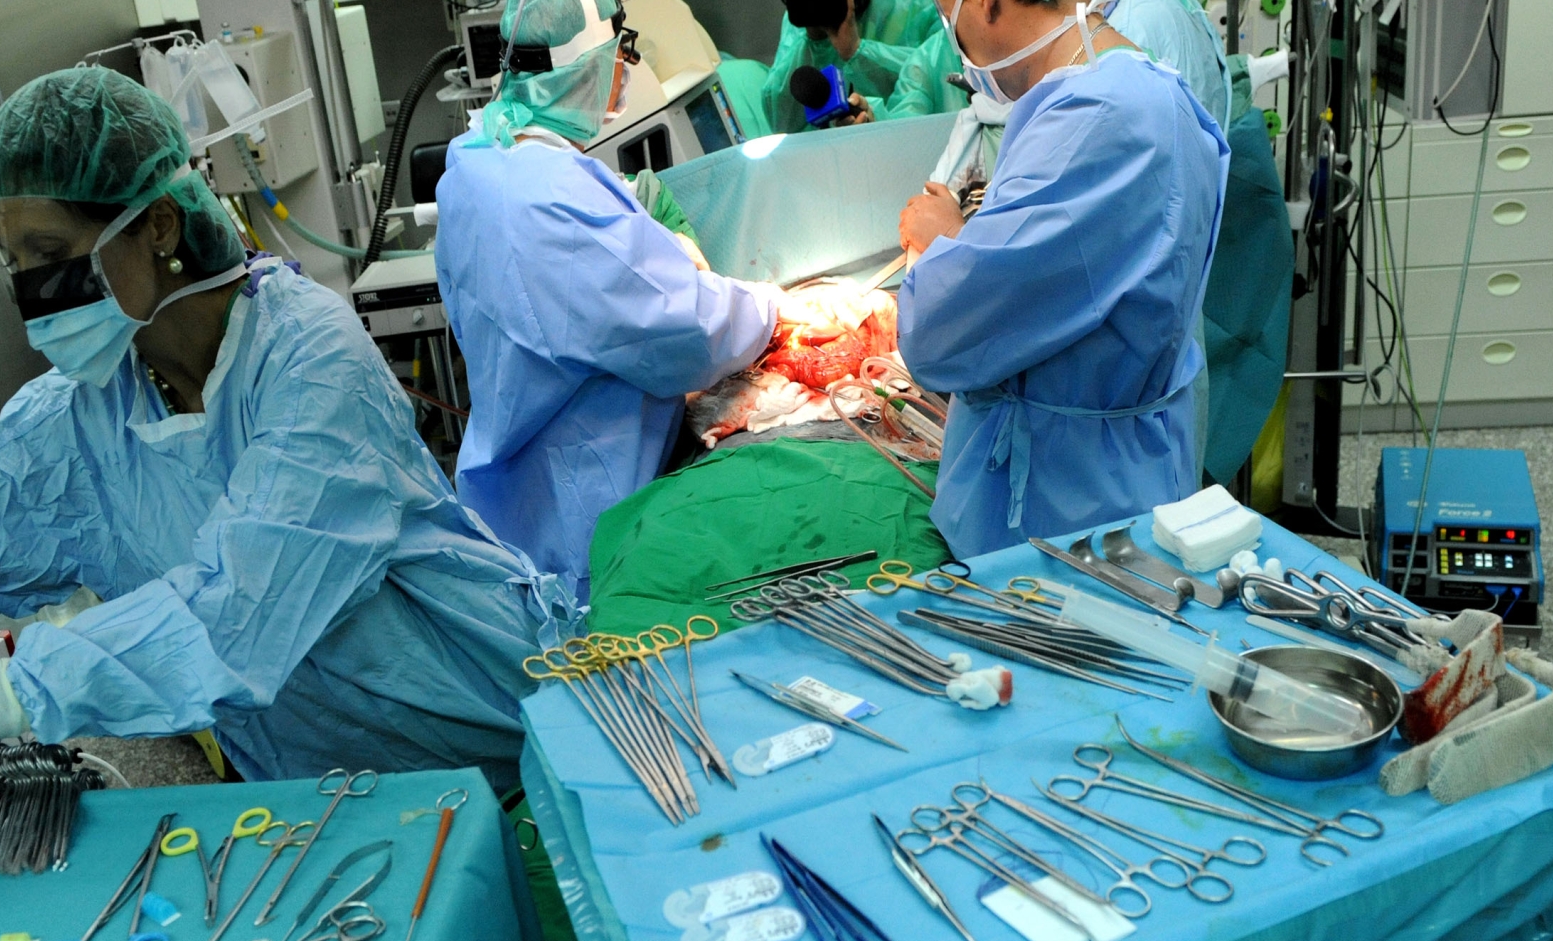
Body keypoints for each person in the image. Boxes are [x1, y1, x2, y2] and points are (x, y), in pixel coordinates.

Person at [0, 67, 571, 805]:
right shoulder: (83, 411)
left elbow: (238, 616)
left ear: (158, 227)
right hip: (334, 799)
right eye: (10, 259)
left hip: (510, 753)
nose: (28, 286)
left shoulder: (310, 362)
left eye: (49, 251)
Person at [436, 0, 784, 602]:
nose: (626, 68)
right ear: (587, 65)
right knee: (603, 657)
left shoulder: (475, 161)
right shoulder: (555, 203)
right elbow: (689, 330)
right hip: (585, 518)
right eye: (620, 51)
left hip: (515, 492)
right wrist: (769, 306)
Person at [897, 0, 1228, 559]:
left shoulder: (1099, 119)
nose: (949, 32)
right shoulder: (1133, 88)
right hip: (1114, 482)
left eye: (944, 10)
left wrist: (943, 245)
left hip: (1064, 513)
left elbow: (939, 334)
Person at [757, 0, 949, 133]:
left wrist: (855, 50)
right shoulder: (810, 7)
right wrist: (815, 40)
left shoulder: (922, 7)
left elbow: (942, 77)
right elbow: (779, 119)